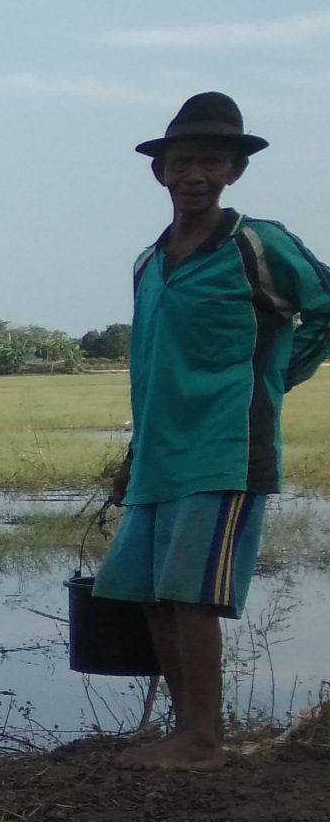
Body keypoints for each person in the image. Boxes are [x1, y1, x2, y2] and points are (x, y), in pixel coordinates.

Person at [94, 94, 330, 769]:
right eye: (183, 160)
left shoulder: (256, 243)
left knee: (193, 593)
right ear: (159, 172)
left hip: (226, 446)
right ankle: (184, 727)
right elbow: (152, 368)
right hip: (159, 454)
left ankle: (204, 738)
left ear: (234, 171)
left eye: (211, 160)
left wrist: (276, 378)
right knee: (146, 591)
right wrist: (134, 454)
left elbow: (324, 307)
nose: (195, 173)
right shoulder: (149, 262)